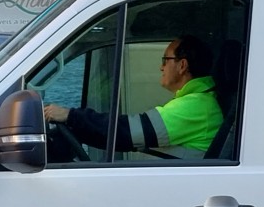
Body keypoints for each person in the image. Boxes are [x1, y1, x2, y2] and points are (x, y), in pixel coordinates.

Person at [43, 35, 223, 159]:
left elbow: (127, 132)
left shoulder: (197, 106)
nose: (161, 67)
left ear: (182, 65)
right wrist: (78, 128)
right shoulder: (199, 101)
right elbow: (119, 138)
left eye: (165, 60)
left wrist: (70, 115)